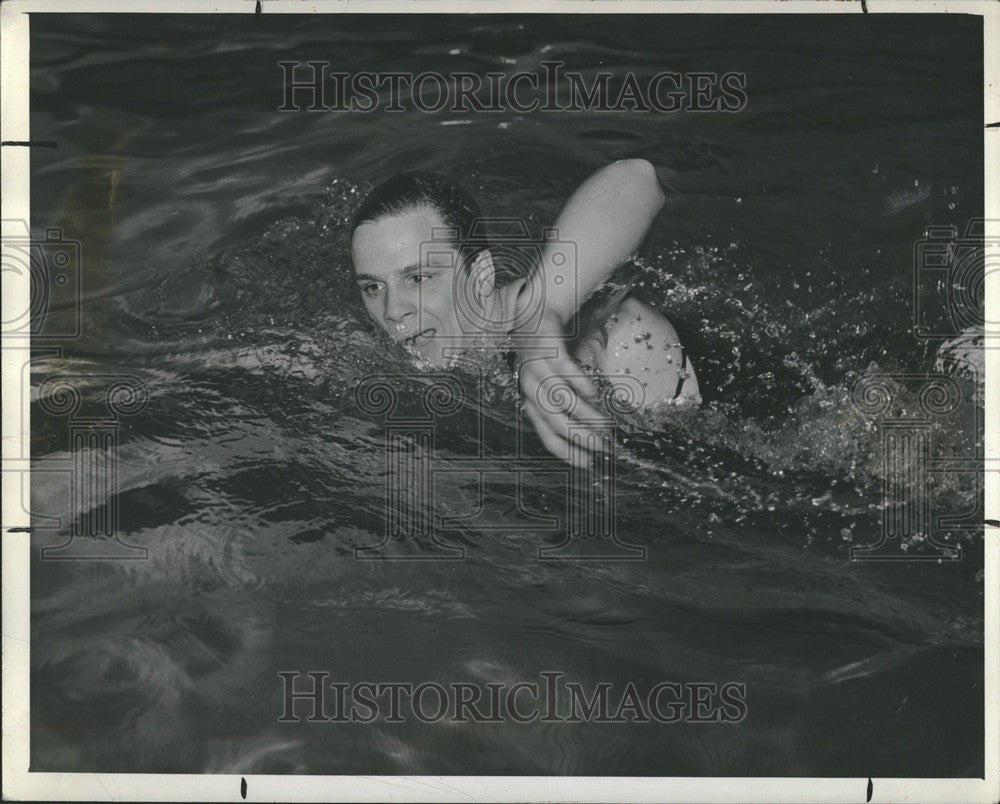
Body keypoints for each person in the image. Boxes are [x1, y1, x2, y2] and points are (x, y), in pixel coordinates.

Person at [349, 159, 700, 468]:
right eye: (373, 288)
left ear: (482, 276)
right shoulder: (424, 348)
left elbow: (637, 177)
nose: (393, 311)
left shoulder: (592, 331)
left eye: (419, 278)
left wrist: (542, 315)